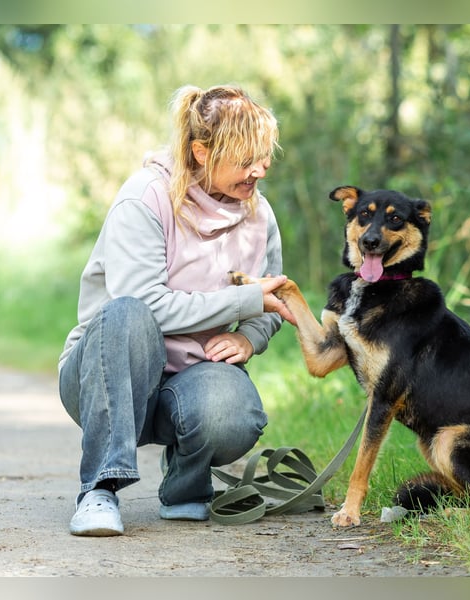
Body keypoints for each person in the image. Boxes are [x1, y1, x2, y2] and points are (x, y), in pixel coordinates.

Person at [58, 84, 295, 536]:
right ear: (201, 152)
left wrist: (250, 336)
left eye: (264, 157)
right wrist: (243, 300)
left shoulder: (258, 214)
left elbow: (271, 296)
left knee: (233, 411)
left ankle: (187, 486)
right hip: (106, 377)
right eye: (246, 160)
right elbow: (147, 306)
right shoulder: (144, 198)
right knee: (127, 312)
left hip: (190, 377)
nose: (260, 170)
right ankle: (98, 490)